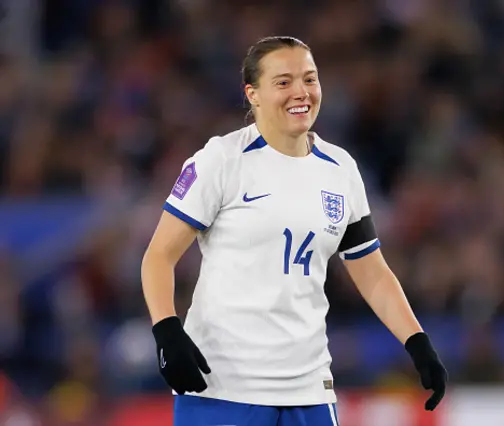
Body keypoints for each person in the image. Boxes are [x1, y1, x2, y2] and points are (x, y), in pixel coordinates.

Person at [141, 36, 447, 426]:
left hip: (309, 388)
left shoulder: (340, 169)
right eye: (283, 82)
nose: (301, 92)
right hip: (222, 386)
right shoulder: (222, 160)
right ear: (252, 94)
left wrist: (417, 341)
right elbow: (158, 256)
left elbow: (371, 272)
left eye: (310, 78)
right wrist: (167, 331)